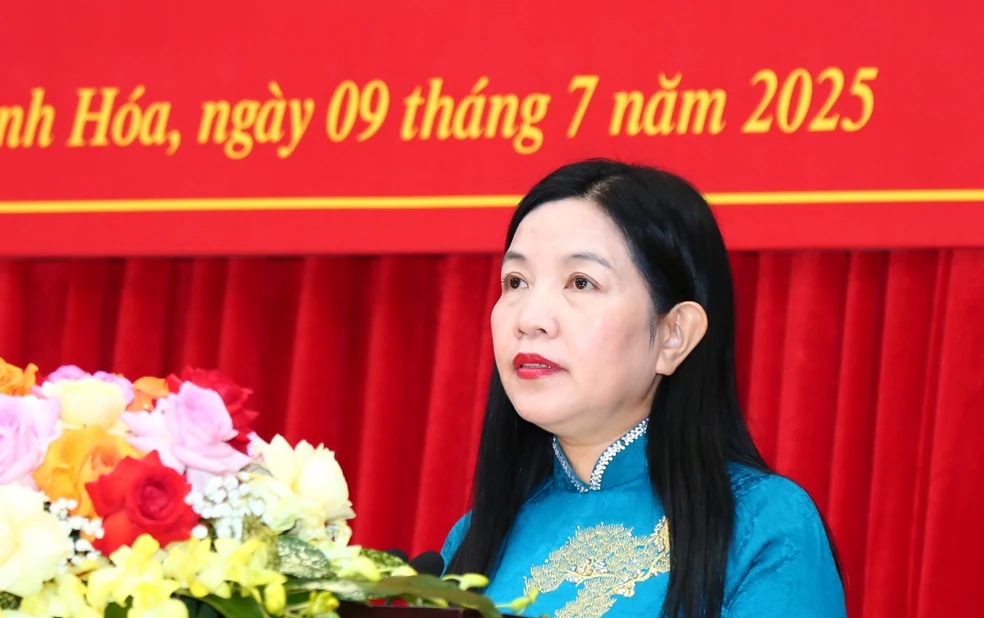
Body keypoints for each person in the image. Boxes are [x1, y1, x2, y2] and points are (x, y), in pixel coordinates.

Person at [439, 159, 846, 618]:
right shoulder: (472, 541)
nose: (530, 318)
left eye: (581, 282)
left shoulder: (763, 526)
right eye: (516, 282)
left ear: (674, 335)